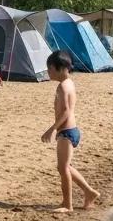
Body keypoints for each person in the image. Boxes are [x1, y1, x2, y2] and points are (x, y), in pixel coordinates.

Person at [41, 50, 99, 212]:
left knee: (63, 168)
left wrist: (51, 129)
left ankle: (68, 204)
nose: (48, 73)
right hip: (69, 131)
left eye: (50, 69)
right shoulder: (69, 83)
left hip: (66, 132)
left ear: (60, 69)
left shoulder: (62, 87)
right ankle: (89, 192)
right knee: (64, 166)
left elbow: (67, 111)